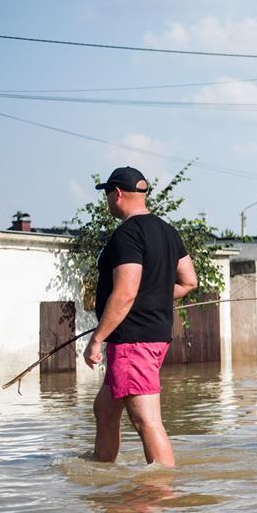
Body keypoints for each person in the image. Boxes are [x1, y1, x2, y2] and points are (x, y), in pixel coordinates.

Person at [82, 166, 197, 467]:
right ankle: (101, 467)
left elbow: (125, 293)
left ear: (117, 194)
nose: (107, 202)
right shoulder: (168, 231)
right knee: (104, 409)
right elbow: (188, 282)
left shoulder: (127, 234)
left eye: (107, 195)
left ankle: (162, 489)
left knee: (146, 418)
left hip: (133, 341)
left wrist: (97, 340)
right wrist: (153, 295)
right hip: (152, 336)